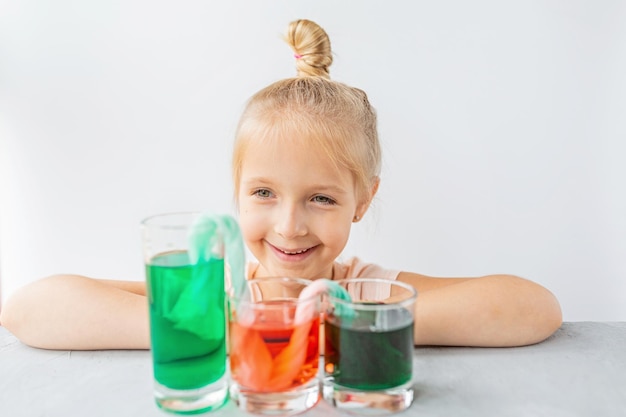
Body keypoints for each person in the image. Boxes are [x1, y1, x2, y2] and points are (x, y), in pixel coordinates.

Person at [0, 19, 562, 351]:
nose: (290, 224)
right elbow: (27, 309)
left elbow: (534, 308)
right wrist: (211, 328)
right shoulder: (218, 297)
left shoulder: (366, 292)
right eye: (264, 193)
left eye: (321, 198)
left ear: (362, 200)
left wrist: (335, 326)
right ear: (237, 192)